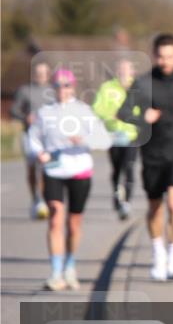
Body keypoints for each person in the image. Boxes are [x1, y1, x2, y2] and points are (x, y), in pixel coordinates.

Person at [118, 34, 173, 281]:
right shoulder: (143, 83)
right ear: (154, 56)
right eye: (161, 56)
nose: (165, 61)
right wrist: (143, 117)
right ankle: (158, 254)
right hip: (152, 153)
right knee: (155, 207)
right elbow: (123, 112)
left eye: (170, 56)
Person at [28, 69, 111, 290]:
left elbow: (104, 139)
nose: (62, 90)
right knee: (55, 217)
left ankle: (70, 265)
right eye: (57, 85)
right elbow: (33, 137)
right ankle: (56, 273)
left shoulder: (84, 111)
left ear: (73, 88)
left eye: (66, 85)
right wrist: (39, 153)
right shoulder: (45, 113)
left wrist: (83, 139)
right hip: (53, 171)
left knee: (73, 225)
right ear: (52, 88)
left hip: (80, 170)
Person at [92, 58, 139, 220]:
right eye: (121, 70)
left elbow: (143, 107)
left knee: (130, 167)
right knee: (117, 169)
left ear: (132, 72)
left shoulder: (138, 87)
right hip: (112, 135)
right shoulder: (107, 88)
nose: (124, 73)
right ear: (117, 72)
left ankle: (126, 202)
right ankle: (116, 193)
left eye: (127, 70)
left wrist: (132, 117)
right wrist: (109, 116)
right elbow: (97, 108)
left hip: (132, 134)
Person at [10, 61, 55, 219]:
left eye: (43, 73)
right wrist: (25, 117)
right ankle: (35, 198)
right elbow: (14, 110)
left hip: (47, 137)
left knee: (43, 168)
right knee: (31, 169)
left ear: (48, 74)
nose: (40, 76)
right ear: (33, 74)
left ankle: (42, 200)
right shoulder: (24, 90)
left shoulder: (53, 91)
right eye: (38, 73)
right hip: (29, 134)